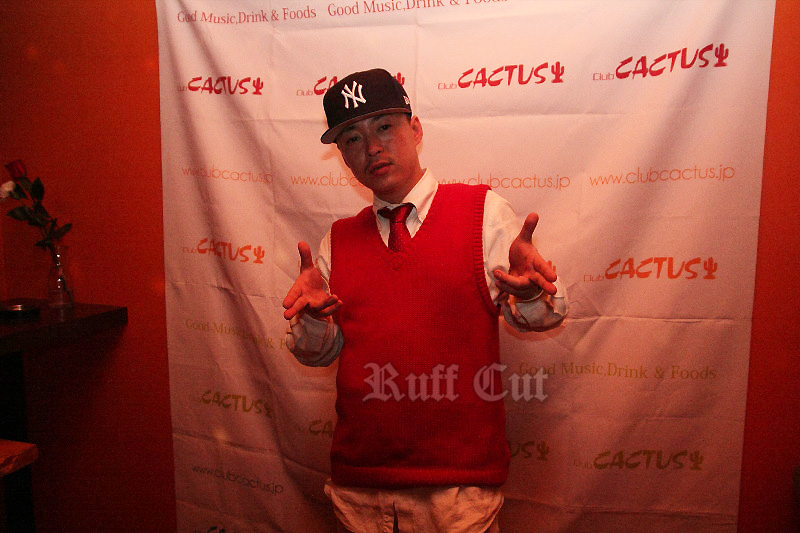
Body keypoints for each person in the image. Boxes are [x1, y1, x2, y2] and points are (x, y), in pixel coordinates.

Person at [283, 68, 567, 533]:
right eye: (352, 138)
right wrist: (313, 322)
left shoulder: (481, 212)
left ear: (415, 130)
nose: (372, 147)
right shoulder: (337, 240)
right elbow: (317, 353)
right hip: (359, 492)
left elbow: (542, 317)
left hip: (459, 498)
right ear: (344, 158)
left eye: (384, 126)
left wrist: (532, 291)